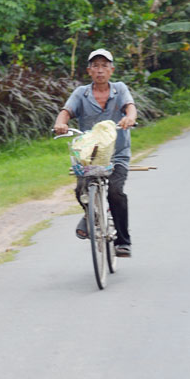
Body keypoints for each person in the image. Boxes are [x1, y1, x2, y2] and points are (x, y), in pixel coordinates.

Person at [53, 49, 137, 257]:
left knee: (115, 192)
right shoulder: (81, 93)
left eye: (104, 66)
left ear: (112, 70)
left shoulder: (119, 89)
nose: (100, 71)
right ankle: (91, 215)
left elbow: (130, 107)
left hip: (117, 153)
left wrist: (130, 118)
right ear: (89, 71)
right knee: (81, 190)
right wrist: (60, 123)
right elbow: (66, 112)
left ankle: (123, 241)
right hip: (89, 155)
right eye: (96, 66)